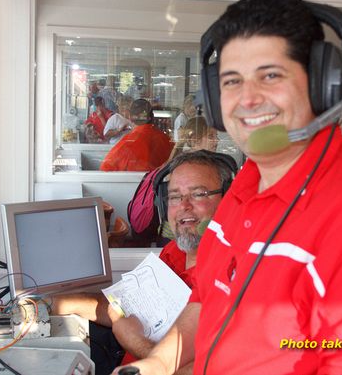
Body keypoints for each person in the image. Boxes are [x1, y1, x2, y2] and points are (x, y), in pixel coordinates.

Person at [118, 0, 342, 375]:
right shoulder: (240, 188)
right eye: (231, 81)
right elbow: (208, 300)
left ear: (321, 84)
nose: (248, 100)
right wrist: (155, 365)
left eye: (270, 75)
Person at [52, 150, 237, 374]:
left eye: (198, 194)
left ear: (228, 200)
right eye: (175, 196)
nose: (184, 205)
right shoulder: (175, 252)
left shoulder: (233, 276)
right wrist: (54, 304)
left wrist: (134, 341)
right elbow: (122, 308)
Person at [100, 99, 174, 171]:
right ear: (152, 117)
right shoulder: (166, 140)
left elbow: (105, 168)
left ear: (130, 117)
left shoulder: (127, 143)